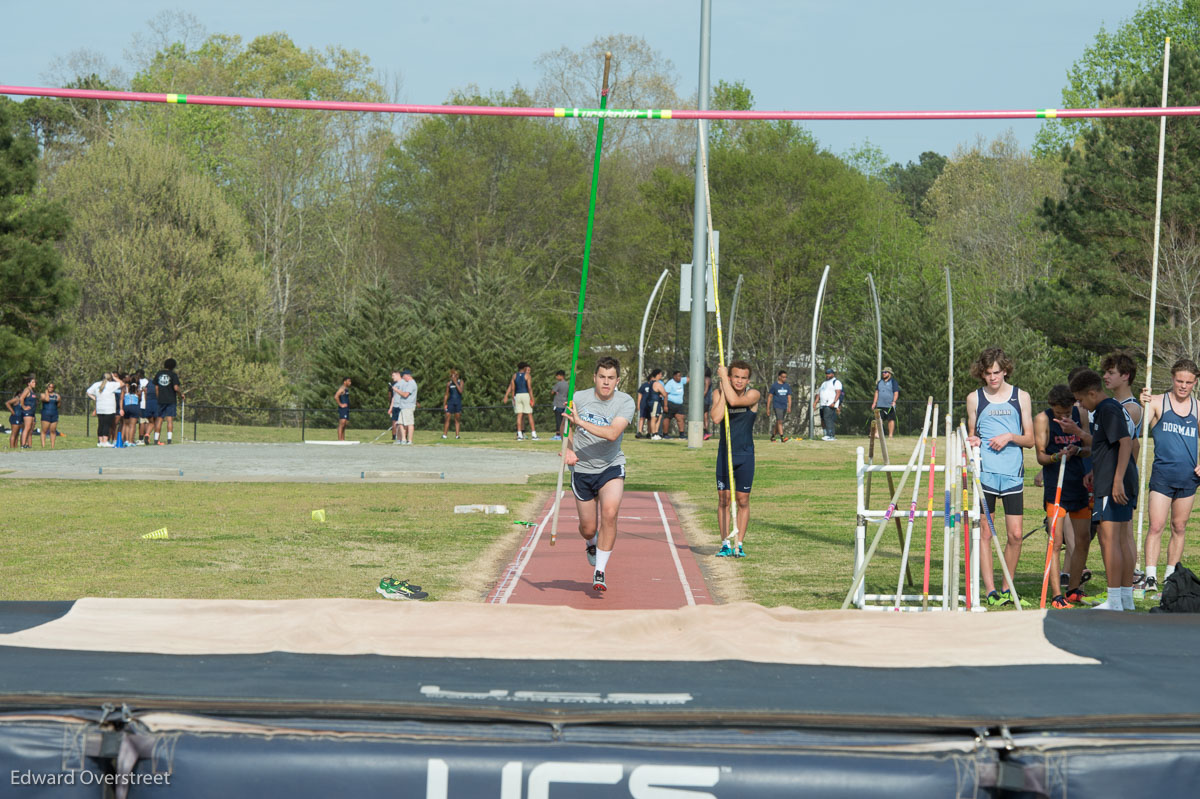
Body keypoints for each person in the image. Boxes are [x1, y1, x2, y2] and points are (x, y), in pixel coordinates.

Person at [965, 347, 1035, 607]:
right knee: (985, 532)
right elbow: (973, 437)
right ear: (982, 374)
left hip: (1012, 473)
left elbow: (1030, 439)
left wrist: (1009, 437)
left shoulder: (1021, 397)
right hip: (986, 474)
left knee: (1015, 535)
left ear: (1005, 370)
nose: (993, 378)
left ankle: (1007, 587)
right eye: (987, 373)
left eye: (996, 372)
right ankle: (990, 591)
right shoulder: (974, 399)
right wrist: (972, 441)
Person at [564, 356, 636, 593]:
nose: (606, 382)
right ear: (595, 378)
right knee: (587, 528)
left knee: (610, 513)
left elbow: (613, 433)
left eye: (611, 378)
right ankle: (591, 544)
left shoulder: (625, 402)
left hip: (610, 467)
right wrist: (567, 450)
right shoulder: (578, 399)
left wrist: (581, 422)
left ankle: (600, 571)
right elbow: (566, 432)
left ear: (617, 380)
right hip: (582, 469)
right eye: (602, 377)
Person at [1071, 368, 1137, 611]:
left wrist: (1117, 480)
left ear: (1091, 393)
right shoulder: (1105, 410)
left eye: (1080, 399)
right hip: (1110, 478)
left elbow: (1126, 442)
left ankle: (1115, 600)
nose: (1080, 405)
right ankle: (1126, 599)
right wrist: (1095, 472)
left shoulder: (1107, 409)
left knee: (1110, 541)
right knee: (1119, 540)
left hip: (1114, 483)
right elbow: (1106, 448)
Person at [1136, 358, 1200, 595]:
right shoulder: (1157, 402)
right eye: (1179, 380)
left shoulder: (1197, 407)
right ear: (1172, 378)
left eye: (1188, 382)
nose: (1183, 386)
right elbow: (1139, 425)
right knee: (1156, 526)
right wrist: (1142, 404)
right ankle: (1150, 575)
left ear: (1195, 382)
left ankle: (1171, 575)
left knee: (1179, 526)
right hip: (1163, 475)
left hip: (1188, 478)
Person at [1033, 384, 1089, 608]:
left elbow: (1089, 447)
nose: (1063, 417)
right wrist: (1057, 456)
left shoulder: (1081, 414)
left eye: (1066, 413)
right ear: (1051, 408)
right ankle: (1057, 595)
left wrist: (1077, 450)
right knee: (1055, 542)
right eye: (1059, 413)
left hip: (1078, 483)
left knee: (1083, 539)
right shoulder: (1042, 419)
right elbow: (1040, 456)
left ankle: (1073, 589)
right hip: (1056, 488)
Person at [712, 361, 760, 558]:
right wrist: (724, 387)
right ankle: (725, 543)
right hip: (725, 454)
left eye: (743, 377)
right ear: (730, 377)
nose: (739, 381)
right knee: (724, 499)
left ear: (748, 380)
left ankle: (739, 543)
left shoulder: (753, 395)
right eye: (735, 377)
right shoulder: (719, 393)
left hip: (745, 455)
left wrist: (723, 378)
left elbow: (735, 403)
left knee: (743, 499)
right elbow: (716, 418)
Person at [152, 358, 184, 445]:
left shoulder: (159, 373)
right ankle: (169, 439)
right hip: (171, 399)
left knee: (159, 419)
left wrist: (159, 397)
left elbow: (156, 387)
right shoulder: (173, 375)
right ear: (173, 366)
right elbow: (176, 388)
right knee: (169, 419)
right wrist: (180, 395)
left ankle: (155, 439)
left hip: (161, 399)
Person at [503, 362, 538, 441]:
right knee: (529, 414)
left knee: (519, 415)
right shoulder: (527, 375)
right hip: (525, 394)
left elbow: (512, 388)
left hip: (517, 395)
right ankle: (534, 434)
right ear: (524, 368)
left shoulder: (514, 376)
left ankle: (519, 434)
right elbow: (529, 387)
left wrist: (513, 398)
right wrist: (532, 398)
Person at [87, 372, 121, 447]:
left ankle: (100, 441)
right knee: (107, 425)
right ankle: (105, 441)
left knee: (101, 424)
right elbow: (122, 383)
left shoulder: (96, 384)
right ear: (110, 378)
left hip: (100, 407)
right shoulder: (111, 384)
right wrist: (114, 377)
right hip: (109, 408)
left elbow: (88, 392)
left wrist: (95, 398)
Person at [814, 367, 842, 441]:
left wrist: (834, 402)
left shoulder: (836, 382)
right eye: (826, 374)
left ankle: (830, 435)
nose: (827, 375)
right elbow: (819, 393)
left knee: (828, 419)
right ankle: (827, 434)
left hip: (830, 404)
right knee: (824, 419)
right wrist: (815, 402)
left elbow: (838, 393)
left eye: (829, 373)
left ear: (832, 374)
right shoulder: (824, 383)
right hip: (823, 404)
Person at [872, 367, 901, 439]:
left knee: (891, 419)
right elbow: (876, 392)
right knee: (878, 420)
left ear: (890, 373)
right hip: (880, 404)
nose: (883, 374)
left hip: (889, 405)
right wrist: (874, 403)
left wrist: (894, 401)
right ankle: (877, 434)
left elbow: (896, 393)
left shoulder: (893, 382)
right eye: (883, 372)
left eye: (885, 372)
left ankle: (890, 435)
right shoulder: (880, 382)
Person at [393, 369, 418, 445]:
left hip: (408, 406)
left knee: (409, 423)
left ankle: (409, 440)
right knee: (400, 423)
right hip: (403, 406)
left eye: (403, 377)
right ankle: (403, 439)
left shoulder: (411, 384)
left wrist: (397, 390)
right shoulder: (407, 383)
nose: (403, 378)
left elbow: (405, 394)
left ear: (408, 376)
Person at [768, 370, 793, 442]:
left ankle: (772, 437)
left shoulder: (787, 386)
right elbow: (770, 396)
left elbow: (789, 397)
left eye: (785, 377)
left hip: (784, 406)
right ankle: (782, 437)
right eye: (783, 377)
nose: (784, 379)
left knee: (778, 422)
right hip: (777, 406)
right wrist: (768, 408)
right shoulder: (774, 386)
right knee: (780, 421)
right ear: (779, 377)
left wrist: (789, 406)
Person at [662, 370, 688, 439]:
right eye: (678, 376)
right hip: (670, 403)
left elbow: (689, 379)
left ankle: (682, 435)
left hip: (679, 404)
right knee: (667, 418)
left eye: (680, 376)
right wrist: (665, 405)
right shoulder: (670, 383)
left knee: (681, 418)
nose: (680, 377)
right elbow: (665, 394)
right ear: (674, 376)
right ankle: (665, 434)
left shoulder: (682, 380)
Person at [442, 368, 464, 440]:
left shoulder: (460, 382)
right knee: (447, 418)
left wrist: (455, 383)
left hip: (457, 402)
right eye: (451, 376)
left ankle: (457, 435)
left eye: (454, 375)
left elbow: (460, 391)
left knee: (457, 419)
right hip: (450, 402)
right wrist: (444, 404)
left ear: (457, 376)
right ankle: (444, 435)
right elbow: (446, 394)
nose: (452, 377)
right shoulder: (449, 384)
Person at [39, 381, 62, 448]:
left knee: (53, 431)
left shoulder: (56, 395)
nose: (51, 388)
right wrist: (46, 392)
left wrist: (59, 400)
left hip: (54, 414)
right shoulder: (43, 395)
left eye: (52, 387)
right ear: (47, 387)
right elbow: (47, 399)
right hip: (46, 414)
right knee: (44, 430)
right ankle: (43, 446)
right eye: (49, 387)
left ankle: (52, 446)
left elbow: (59, 405)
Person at [636, 369, 658, 439]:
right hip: (644, 404)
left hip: (650, 404)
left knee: (649, 419)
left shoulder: (654, 385)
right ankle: (639, 431)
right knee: (642, 417)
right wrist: (638, 404)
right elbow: (640, 396)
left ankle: (649, 432)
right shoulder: (644, 385)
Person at [16, 375, 37, 449]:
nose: (35, 383)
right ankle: (23, 444)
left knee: (30, 429)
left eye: (35, 382)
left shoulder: (32, 390)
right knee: (27, 427)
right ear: (29, 383)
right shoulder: (27, 390)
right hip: (27, 412)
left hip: (32, 412)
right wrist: (24, 407)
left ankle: (28, 444)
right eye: (33, 382)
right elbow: (21, 398)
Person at [120, 372, 140, 445]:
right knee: (133, 425)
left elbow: (121, 399)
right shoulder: (138, 389)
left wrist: (121, 408)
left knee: (126, 424)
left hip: (126, 407)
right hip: (134, 407)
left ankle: (127, 440)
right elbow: (140, 398)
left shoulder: (125, 388)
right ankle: (131, 441)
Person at [549, 370, 569, 441]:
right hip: (564, 404)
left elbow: (552, 392)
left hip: (557, 404)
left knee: (558, 420)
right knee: (563, 420)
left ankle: (558, 434)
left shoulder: (558, 384)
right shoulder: (567, 384)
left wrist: (555, 392)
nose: (556, 377)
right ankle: (563, 433)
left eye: (557, 376)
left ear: (561, 376)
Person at [334, 377, 352, 441]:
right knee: (342, 423)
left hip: (346, 408)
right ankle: (339, 440)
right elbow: (336, 396)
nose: (350, 383)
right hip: (343, 409)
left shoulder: (347, 389)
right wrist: (340, 404)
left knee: (345, 424)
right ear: (345, 382)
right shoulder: (342, 389)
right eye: (349, 381)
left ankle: (343, 440)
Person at [703, 366, 713, 441]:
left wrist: (698, 399)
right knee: (705, 415)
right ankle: (706, 433)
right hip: (707, 400)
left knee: (704, 416)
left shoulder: (706, 379)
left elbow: (705, 391)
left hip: (704, 400)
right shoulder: (708, 379)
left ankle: (705, 432)